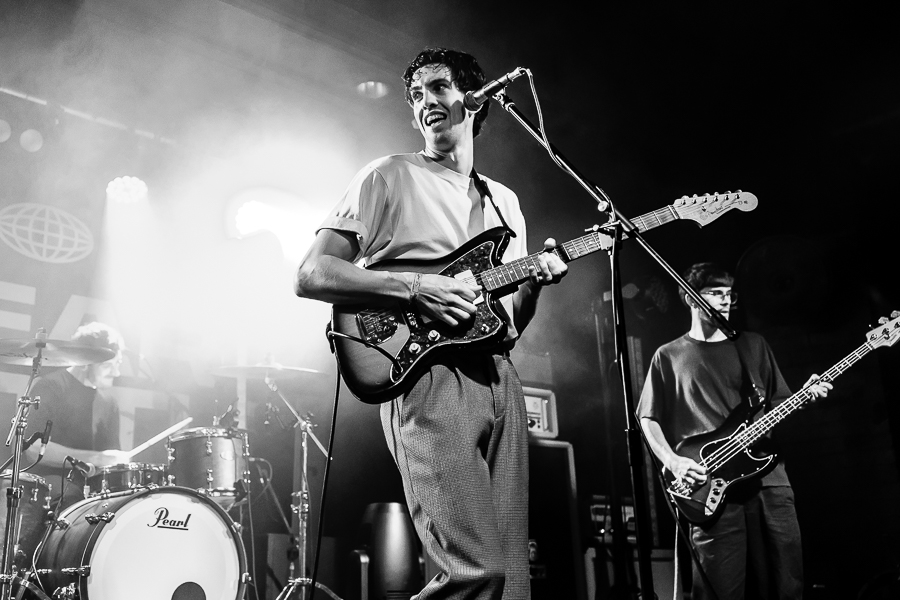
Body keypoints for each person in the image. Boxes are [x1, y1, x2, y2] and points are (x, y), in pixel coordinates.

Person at [294, 47, 567, 599]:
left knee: (512, 582)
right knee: (474, 572)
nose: (425, 102)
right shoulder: (389, 175)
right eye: (416, 95)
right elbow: (313, 273)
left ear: (475, 99)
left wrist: (536, 281)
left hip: (498, 376)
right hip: (425, 374)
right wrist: (419, 286)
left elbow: (511, 324)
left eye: (438, 87)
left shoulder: (504, 202)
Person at [637, 263, 832, 600]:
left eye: (729, 294)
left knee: (786, 585)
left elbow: (779, 405)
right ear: (691, 298)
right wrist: (673, 462)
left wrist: (805, 397)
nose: (725, 301)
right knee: (719, 590)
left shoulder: (752, 345)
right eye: (715, 293)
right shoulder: (668, 356)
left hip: (768, 482)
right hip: (708, 485)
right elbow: (647, 418)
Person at [25, 322, 130, 505]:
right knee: (70, 497)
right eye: (108, 365)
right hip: (51, 488)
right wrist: (97, 458)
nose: (116, 372)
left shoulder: (109, 403)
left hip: (92, 490)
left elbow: (109, 462)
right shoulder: (50, 387)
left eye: (118, 364)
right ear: (85, 361)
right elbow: (33, 449)